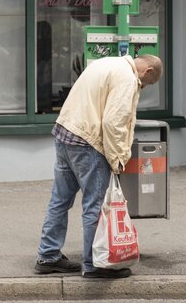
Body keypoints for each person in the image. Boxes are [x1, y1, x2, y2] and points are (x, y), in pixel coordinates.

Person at [35, 54, 163, 279]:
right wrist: (118, 159)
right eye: (146, 83)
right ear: (148, 71)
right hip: (88, 142)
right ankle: (95, 264)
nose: (142, 86)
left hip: (65, 133)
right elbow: (113, 123)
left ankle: (48, 255)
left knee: (60, 200)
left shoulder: (106, 63)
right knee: (94, 206)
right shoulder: (127, 77)